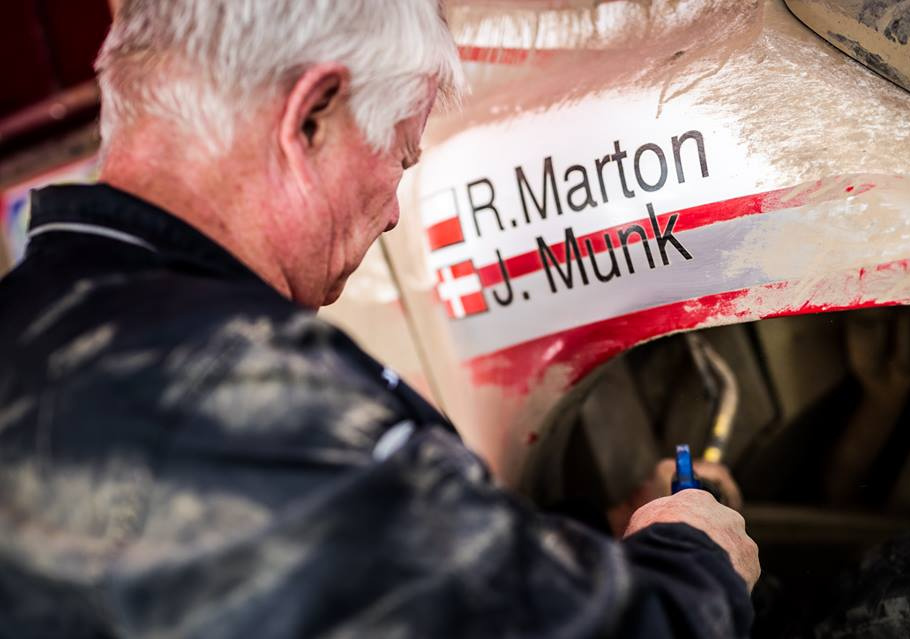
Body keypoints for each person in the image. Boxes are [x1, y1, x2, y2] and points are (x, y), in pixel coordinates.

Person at [0, 2, 760, 637]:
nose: (394, 212)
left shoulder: (46, 331)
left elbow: (366, 578)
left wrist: (591, 534)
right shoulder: (228, 390)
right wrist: (693, 563)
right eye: (399, 154)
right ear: (311, 118)